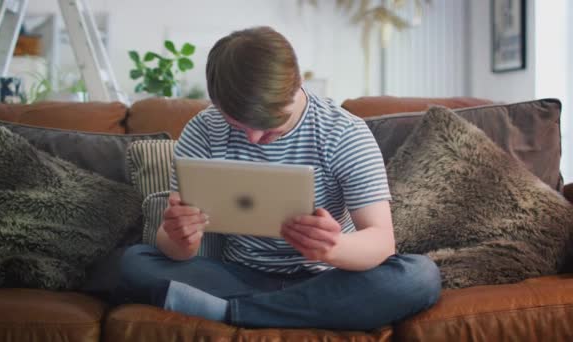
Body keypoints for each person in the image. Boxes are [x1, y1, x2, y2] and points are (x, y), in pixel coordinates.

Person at [117, 26, 441, 331]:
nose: (255, 138)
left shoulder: (344, 132)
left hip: (330, 279)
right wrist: (179, 238)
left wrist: (333, 247)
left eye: (270, 125)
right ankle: (294, 312)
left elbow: (381, 241)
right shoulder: (203, 131)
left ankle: (229, 313)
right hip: (238, 275)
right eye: (239, 125)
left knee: (419, 277)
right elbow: (175, 250)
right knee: (135, 261)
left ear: (297, 85)